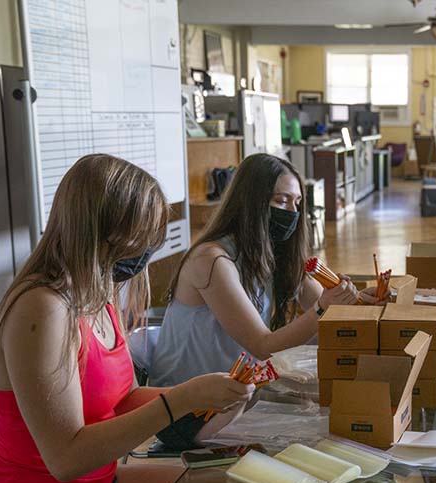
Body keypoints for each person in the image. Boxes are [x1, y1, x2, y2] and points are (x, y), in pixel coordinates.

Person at [0, 155, 273, 483]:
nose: (149, 250)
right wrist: (179, 401)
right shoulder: (42, 309)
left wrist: (209, 396)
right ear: (104, 231)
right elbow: (66, 460)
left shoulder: (95, 293)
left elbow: (120, 400)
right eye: (141, 236)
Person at [151, 153, 375, 391]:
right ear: (251, 203)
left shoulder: (275, 252)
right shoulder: (212, 260)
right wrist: (323, 308)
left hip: (237, 390)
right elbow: (263, 345)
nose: (292, 212)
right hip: (188, 399)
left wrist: (358, 304)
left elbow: (326, 322)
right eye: (281, 201)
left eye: (296, 203)